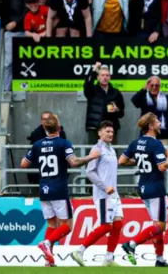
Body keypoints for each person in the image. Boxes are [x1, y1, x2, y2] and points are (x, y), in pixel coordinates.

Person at [20, 114, 98, 266]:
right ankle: (47, 243)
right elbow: (74, 162)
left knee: (51, 225)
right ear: (58, 127)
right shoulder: (63, 143)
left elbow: (23, 164)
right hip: (59, 189)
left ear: (44, 128)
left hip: (44, 189)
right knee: (67, 226)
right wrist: (91, 157)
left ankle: (48, 260)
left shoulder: (37, 145)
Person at [119, 113, 168, 267]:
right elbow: (162, 167)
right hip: (156, 188)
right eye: (157, 121)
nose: (159, 123)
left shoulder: (135, 143)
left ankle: (159, 259)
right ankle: (132, 244)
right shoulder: (156, 144)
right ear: (151, 126)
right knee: (160, 226)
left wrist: (139, 161)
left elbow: (121, 161)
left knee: (156, 226)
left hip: (143, 187)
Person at [71, 121, 124, 267]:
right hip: (103, 194)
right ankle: (80, 251)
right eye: (107, 131)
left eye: (112, 132)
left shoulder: (111, 150)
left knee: (118, 224)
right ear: (99, 133)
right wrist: (105, 186)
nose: (110, 134)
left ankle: (109, 258)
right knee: (106, 226)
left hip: (114, 194)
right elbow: (89, 172)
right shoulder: (97, 149)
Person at [131, 77, 168, 145]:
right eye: (152, 85)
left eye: (157, 85)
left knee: (161, 155)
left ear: (160, 86)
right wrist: (143, 89)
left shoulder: (166, 98)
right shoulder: (144, 98)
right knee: (147, 155)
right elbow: (134, 101)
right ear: (148, 86)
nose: (154, 87)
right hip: (147, 134)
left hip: (162, 134)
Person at [84, 62, 125, 144]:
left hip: (111, 128)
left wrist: (117, 110)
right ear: (98, 77)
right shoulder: (92, 91)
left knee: (111, 154)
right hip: (95, 127)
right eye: (102, 75)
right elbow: (87, 83)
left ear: (110, 77)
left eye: (107, 75)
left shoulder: (116, 92)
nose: (105, 77)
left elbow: (122, 112)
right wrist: (94, 69)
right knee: (93, 154)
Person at [27, 111, 68, 186]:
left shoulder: (61, 133)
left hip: (57, 167)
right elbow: (25, 162)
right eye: (44, 119)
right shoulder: (36, 134)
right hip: (41, 167)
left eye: (48, 119)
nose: (46, 121)